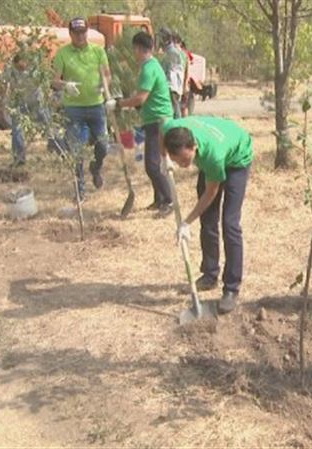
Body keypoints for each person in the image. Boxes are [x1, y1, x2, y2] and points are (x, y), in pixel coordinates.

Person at [161, 116, 253, 314]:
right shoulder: (173, 129)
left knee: (230, 224)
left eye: (185, 160)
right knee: (208, 220)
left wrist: (186, 222)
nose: (183, 165)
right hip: (218, 151)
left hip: (237, 158)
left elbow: (210, 193)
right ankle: (210, 275)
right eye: (178, 160)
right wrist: (164, 158)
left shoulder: (212, 155)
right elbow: (163, 130)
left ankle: (231, 288)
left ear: (194, 146)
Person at [52, 17, 113, 200]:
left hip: (96, 106)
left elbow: (107, 75)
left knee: (103, 145)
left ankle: (96, 167)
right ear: (70, 33)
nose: (80, 36)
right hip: (74, 108)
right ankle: (80, 190)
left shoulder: (98, 51)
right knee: (76, 149)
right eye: (76, 33)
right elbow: (54, 80)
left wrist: (104, 87)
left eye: (83, 32)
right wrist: (65, 85)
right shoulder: (63, 53)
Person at [115, 31, 175, 216]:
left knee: (152, 165)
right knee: (153, 164)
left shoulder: (149, 69)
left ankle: (169, 201)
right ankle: (159, 200)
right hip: (154, 120)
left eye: (134, 49)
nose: (133, 53)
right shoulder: (152, 65)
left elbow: (141, 98)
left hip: (158, 121)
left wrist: (120, 104)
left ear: (139, 49)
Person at [3, 53, 49, 166]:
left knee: (51, 127)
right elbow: (4, 83)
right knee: (17, 131)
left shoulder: (34, 70)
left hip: (37, 103)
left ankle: (61, 153)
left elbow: (44, 82)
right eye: (19, 64)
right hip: (19, 104)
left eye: (24, 63)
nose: (22, 66)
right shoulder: (11, 70)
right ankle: (19, 159)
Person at [158, 27, 184, 119]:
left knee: (174, 110)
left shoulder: (172, 53)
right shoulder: (169, 52)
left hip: (171, 86)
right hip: (171, 85)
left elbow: (170, 71)